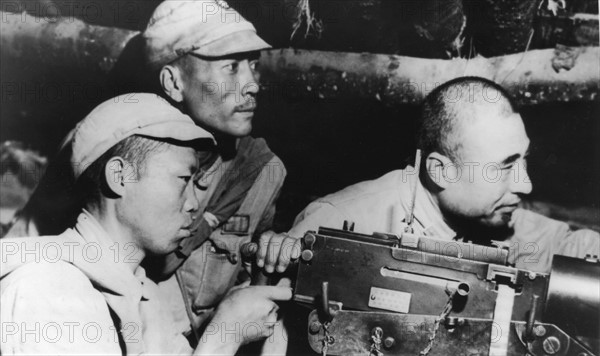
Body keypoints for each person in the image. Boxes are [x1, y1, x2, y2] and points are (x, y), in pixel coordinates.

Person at [0, 94, 292, 355]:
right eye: (183, 180)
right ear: (120, 176)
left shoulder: (145, 298)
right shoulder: (46, 289)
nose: (194, 203)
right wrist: (224, 333)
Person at [289, 76, 599, 273]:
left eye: (524, 161)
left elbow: (572, 245)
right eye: (505, 166)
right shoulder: (334, 224)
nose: (525, 184)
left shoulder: (500, 218)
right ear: (441, 171)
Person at [141, 0, 300, 344]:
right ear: (173, 82)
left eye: (253, 67)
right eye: (231, 68)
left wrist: (269, 260)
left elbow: (248, 288)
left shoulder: (261, 169)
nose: (252, 85)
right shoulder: (125, 160)